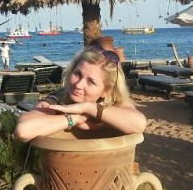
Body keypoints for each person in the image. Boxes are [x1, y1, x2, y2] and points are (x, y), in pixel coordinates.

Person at [14, 45, 146, 142]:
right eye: (77, 74)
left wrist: (87, 108)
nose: (78, 85)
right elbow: (23, 131)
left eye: (91, 82)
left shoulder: (115, 104)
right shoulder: (58, 98)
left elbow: (139, 124)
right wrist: (74, 119)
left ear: (106, 91)